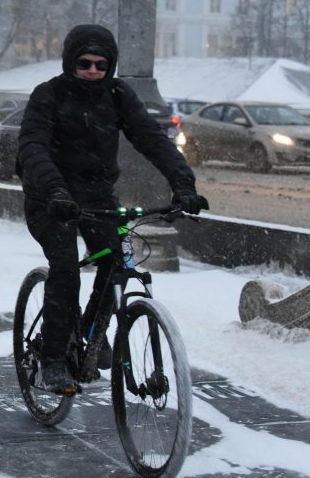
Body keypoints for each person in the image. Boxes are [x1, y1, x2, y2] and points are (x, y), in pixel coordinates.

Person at [16, 24, 208, 394]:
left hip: (97, 194)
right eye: (84, 63)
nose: (92, 71)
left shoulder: (119, 96)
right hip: (49, 197)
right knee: (67, 269)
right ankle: (53, 359)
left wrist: (183, 183)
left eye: (101, 65)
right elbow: (33, 147)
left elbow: (152, 139)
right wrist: (55, 190)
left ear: (111, 66)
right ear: (70, 62)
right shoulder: (49, 95)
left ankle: (92, 329)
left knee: (117, 260)